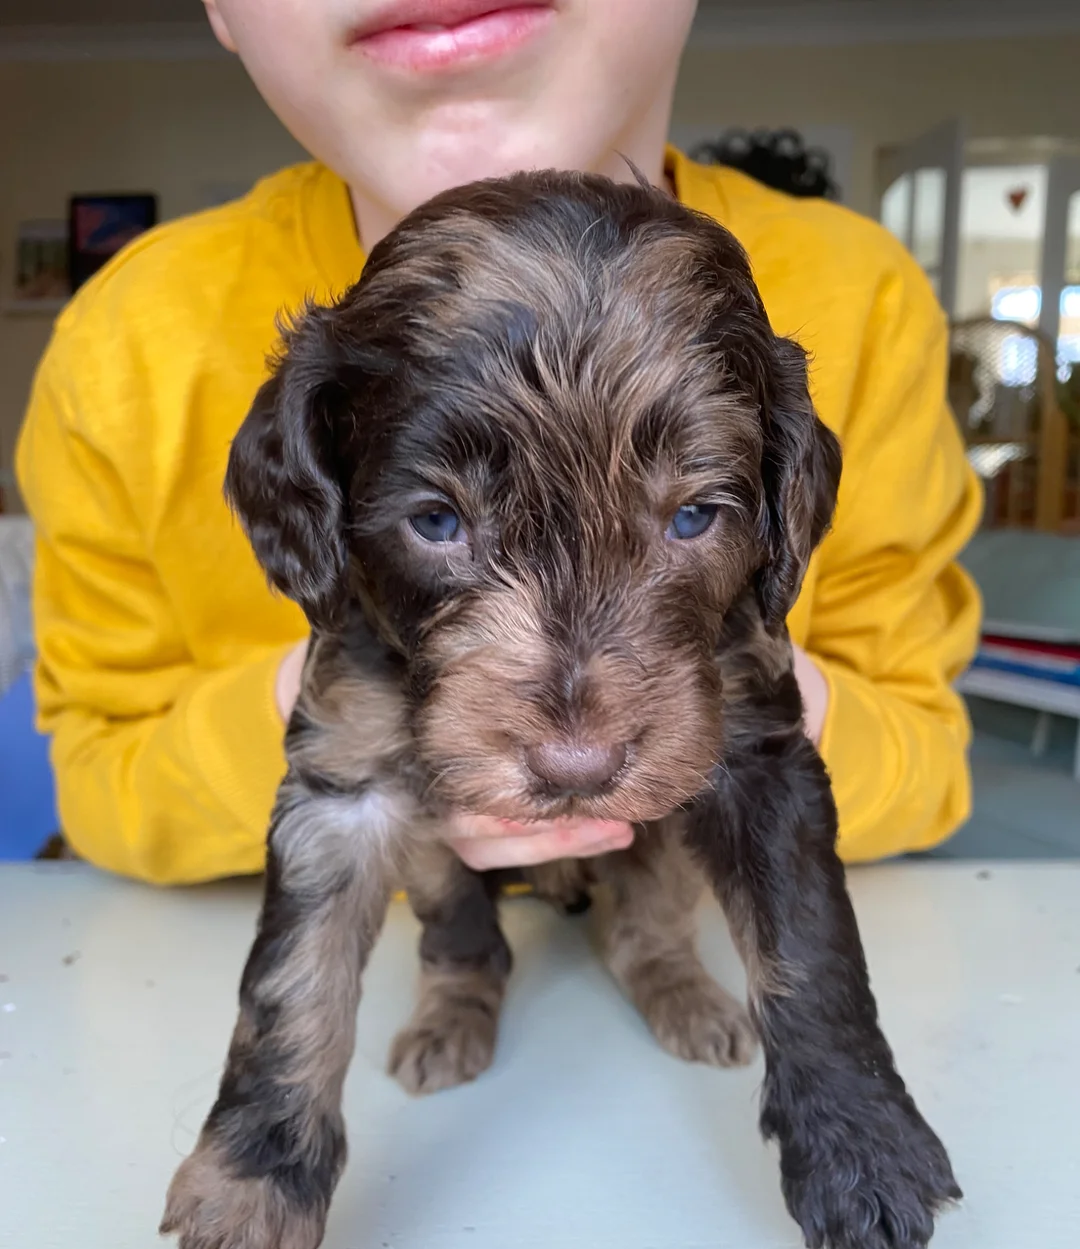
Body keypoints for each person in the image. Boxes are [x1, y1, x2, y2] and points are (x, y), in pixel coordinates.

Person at [16, 0, 981, 886]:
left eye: (691, 513)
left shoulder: (865, 296)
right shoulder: (126, 342)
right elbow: (104, 783)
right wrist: (350, 718)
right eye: (437, 518)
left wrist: (710, 706)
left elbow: (926, 759)